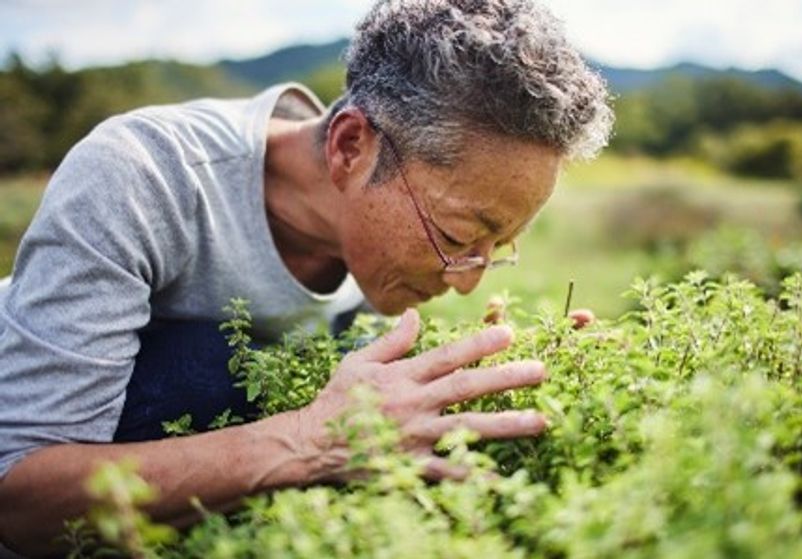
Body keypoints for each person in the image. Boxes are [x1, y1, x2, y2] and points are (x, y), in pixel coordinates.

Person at [0, 0, 612, 556]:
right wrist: (312, 440)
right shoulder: (139, 178)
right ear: (350, 147)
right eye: (455, 238)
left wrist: (528, 371)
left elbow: (372, 405)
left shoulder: (381, 237)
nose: (466, 282)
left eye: (495, 248)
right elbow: (21, 497)